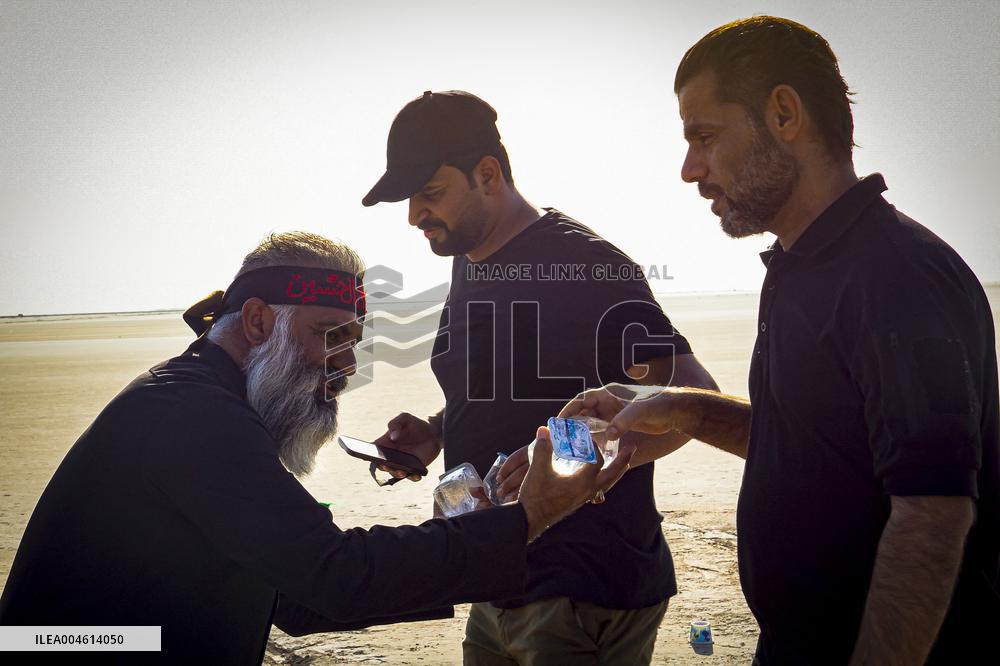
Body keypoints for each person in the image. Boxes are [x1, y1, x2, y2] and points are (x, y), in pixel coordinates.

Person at [560, 16, 1000, 666]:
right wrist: (681, 407)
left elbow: (931, 517)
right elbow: (815, 451)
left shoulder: (897, 274)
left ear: (784, 114)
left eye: (705, 136)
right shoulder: (798, 270)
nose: (689, 169)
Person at [0, 231, 631, 664]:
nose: (346, 364)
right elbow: (331, 575)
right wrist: (530, 518)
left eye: (354, 341)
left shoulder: (212, 403)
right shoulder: (190, 413)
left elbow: (293, 594)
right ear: (257, 322)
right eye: (329, 335)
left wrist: (461, 539)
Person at [362, 90, 718, 665]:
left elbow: (693, 402)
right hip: (496, 577)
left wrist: (576, 455)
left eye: (429, 194)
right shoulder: (468, 257)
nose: (414, 216)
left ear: (487, 174)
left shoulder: (585, 268)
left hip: (582, 591)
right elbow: (510, 389)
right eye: (409, 198)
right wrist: (436, 431)